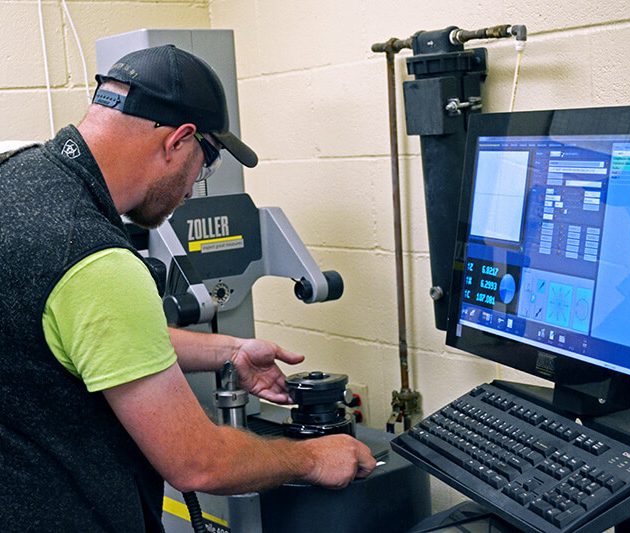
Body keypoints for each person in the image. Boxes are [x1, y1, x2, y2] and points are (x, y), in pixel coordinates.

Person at [0, 44, 376, 532]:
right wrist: (313, 458)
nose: (196, 181)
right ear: (178, 140)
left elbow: (87, 338)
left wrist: (230, 350)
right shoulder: (92, 257)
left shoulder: (16, 175)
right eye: (207, 161)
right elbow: (197, 462)